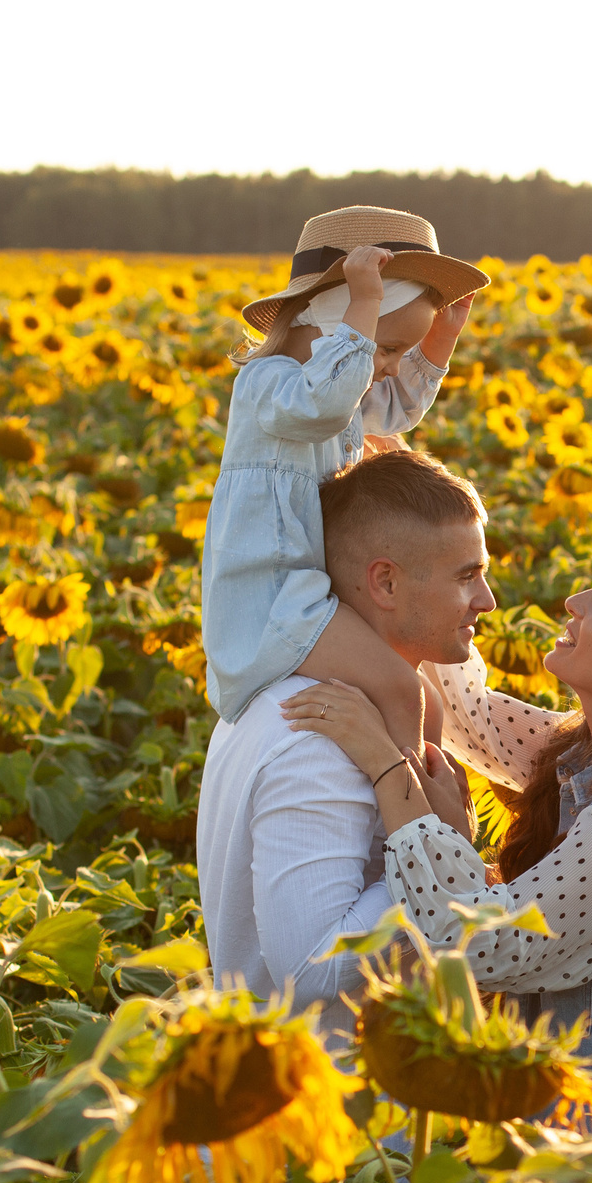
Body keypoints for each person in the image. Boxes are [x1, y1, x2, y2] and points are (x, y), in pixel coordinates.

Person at [281, 544, 592, 1079]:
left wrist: (383, 763)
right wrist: (412, 490)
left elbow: (483, 944)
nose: (573, 601)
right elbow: (472, 719)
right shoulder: (586, 750)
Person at [193, 449, 495, 1032]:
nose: (487, 601)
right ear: (384, 581)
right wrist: (446, 851)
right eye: (467, 577)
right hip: (342, 1092)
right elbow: (313, 966)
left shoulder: (298, 694)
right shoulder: (320, 739)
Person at [206, 204, 487, 763]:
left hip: (316, 594)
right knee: (404, 693)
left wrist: (439, 340)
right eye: (385, 349)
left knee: (429, 705)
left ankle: (424, 817)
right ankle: (407, 821)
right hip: (273, 601)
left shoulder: (337, 388)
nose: (385, 368)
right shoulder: (271, 384)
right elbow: (328, 401)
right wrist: (366, 303)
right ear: (333, 322)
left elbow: (392, 408)